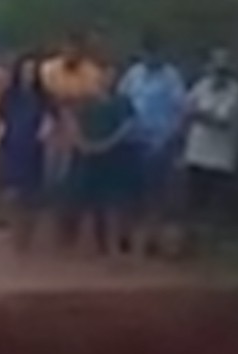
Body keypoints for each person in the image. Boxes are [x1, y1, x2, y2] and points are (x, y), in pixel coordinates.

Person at [116, 33, 187, 254]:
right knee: (128, 193)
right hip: (132, 140)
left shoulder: (171, 78)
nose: (151, 58)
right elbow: (121, 102)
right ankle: (124, 236)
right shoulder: (133, 75)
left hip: (159, 142)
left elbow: (181, 112)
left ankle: (151, 239)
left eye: (155, 53)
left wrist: (168, 139)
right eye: (148, 53)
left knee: (154, 195)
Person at [38, 29, 107, 245]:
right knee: (51, 176)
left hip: (80, 127)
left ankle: (69, 226)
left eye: (76, 50)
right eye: (68, 49)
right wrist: (64, 105)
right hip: (53, 123)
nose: (71, 53)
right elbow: (47, 97)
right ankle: (52, 224)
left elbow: (93, 100)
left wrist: (74, 108)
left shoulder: (92, 73)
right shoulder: (49, 68)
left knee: (73, 178)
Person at [181, 48, 238, 257]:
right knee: (192, 204)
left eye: (222, 69)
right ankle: (190, 246)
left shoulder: (235, 91)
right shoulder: (202, 85)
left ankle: (212, 249)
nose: (219, 73)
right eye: (216, 68)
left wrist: (199, 114)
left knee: (215, 208)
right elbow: (186, 110)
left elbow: (222, 120)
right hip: (196, 152)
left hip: (221, 158)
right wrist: (200, 115)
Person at [68, 80, 139, 254]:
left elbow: (129, 125)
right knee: (92, 200)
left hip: (117, 156)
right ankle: (99, 243)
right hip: (90, 155)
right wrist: (82, 143)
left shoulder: (122, 101)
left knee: (117, 199)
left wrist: (108, 143)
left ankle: (120, 240)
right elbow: (73, 122)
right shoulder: (86, 102)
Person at [0, 53, 50, 252]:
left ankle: (28, 236)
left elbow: (49, 119)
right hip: (12, 145)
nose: (29, 75)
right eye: (26, 71)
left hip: (34, 147)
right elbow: (0, 119)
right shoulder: (9, 95)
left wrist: (44, 133)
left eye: (33, 72)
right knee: (12, 193)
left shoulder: (42, 97)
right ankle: (16, 235)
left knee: (32, 196)